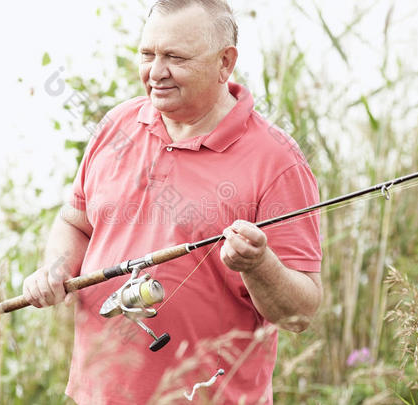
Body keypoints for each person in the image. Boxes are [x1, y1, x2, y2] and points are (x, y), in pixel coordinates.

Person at [23, 0, 323, 403]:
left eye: (175, 58)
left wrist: (259, 264)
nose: (155, 72)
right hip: (96, 394)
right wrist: (55, 269)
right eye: (147, 54)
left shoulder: (277, 161)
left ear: (225, 63)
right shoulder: (116, 126)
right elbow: (75, 223)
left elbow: (299, 314)